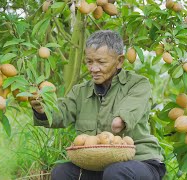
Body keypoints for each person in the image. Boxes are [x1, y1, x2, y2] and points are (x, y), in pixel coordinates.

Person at [30, 30, 166, 180]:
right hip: (98, 166)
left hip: (140, 163)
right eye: (89, 62)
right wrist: (41, 109)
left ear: (119, 61)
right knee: (62, 172)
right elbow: (61, 113)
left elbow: (129, 109)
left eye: (101, 62)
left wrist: (120, 120)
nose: (93, 69)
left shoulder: (138, 84)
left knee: (115, 172)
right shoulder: (80, 91)